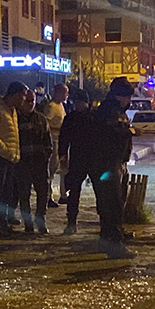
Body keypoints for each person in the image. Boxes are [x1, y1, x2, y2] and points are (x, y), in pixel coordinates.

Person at [84, 77, 136, 258]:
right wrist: (129, 132)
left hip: (107, 163)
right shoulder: (112, 112)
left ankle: (107, 239)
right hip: (107, 164)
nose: (129, 102)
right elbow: (113, 135)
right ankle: (115, 245)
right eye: (127, 97)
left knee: (109, 204)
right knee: (113, 205)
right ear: (120, 96)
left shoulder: (109, 110)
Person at [0, 81, 26, 237]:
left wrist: (14, 154)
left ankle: (2, 225)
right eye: (22, 95)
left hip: (9, 159)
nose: (24, 99)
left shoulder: (12, 111)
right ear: (14, 95)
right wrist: (6, 151)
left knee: (6, 194)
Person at [16, 90, 53, 234]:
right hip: (23, 162)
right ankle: (28, 223)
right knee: (24, 194)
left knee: (43, 192)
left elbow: (47, 140)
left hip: (39, 162)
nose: (31, 103)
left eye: (33, 100)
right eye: (28, 100)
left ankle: (40, 219)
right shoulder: (16, 119)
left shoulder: (40, 119)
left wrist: (46, 155)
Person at [58, 89, 93, 234]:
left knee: (101, 190)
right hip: (77, 157)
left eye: (80, 102)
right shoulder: (70, 118)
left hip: (94, 157)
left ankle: (105, 222)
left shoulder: (94, 117)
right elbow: (63, 138)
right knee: (74, 191)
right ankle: (71, 221)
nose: (78, 105)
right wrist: (63, 155)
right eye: (76, 102)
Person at [44, 83, 68, 207]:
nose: (66, 96)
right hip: (54, 140)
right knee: (51, 169)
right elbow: (46, 122)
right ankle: (48, 196)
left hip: (61, 140)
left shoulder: (61, 106)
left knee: (63, 168)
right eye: (65, 93)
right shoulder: (51, 107)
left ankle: (63, 195)